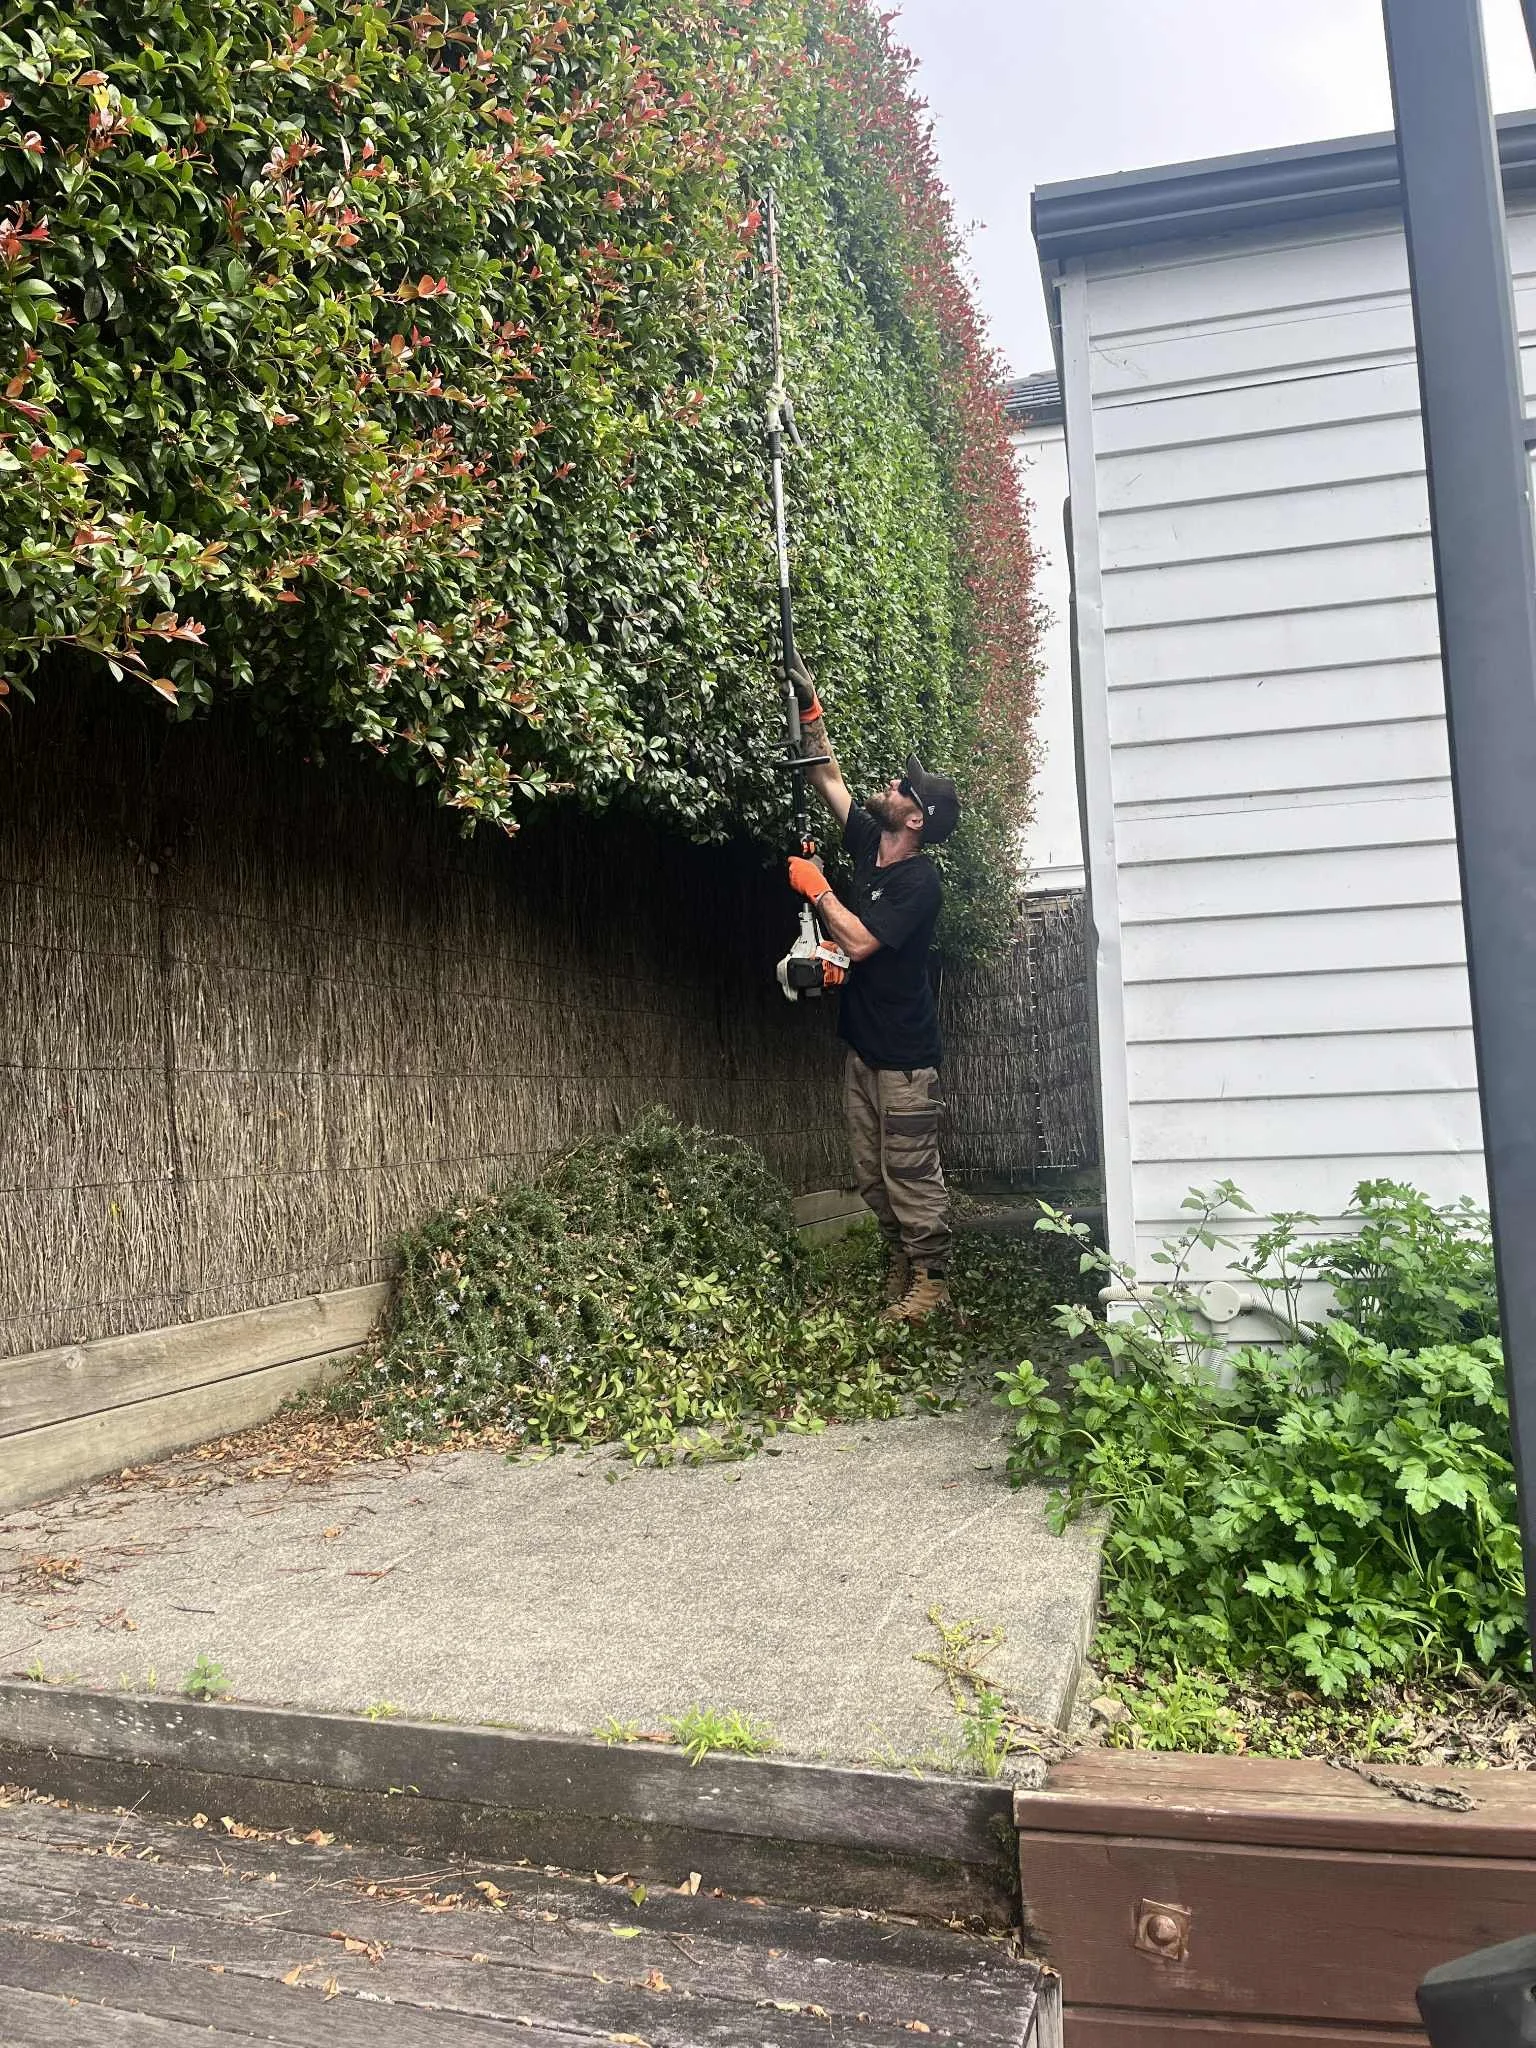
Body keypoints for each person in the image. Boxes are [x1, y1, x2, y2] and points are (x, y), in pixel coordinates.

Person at [781, 653, 961, 1323]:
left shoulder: (920, 881)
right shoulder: (870, 840)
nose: (891, 785)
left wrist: (818, 888)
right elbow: (826, 775)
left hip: (905, 1057)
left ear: (916, 820)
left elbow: (860, 942)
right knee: (870, 1173)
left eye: (904, 789)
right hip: (862, 1045)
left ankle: (932, 1281)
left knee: (910, 1173)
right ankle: (901, 1260)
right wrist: (810, 707)